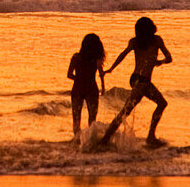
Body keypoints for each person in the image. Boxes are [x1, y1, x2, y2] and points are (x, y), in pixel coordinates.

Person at [98, 16, 172, 148]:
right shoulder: (153, 41)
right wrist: (160, 62)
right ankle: (106, 139)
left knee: (131, 110)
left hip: (136, 79)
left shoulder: (141, 41)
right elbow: (169, 58)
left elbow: (122, 55)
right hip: (141, 81)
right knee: (128, 111)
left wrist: (111, 69)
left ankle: (106, 138)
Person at [67, 33, 106, 138]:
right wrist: (103, 87)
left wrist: (79, 79)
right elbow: (101, 74)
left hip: (77, 88)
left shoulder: (76, 57)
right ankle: (91, 140)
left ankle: (77, 139)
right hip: (91, 88)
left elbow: (69, 75)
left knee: (76, 118)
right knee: (92, 119)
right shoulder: (96, 59)